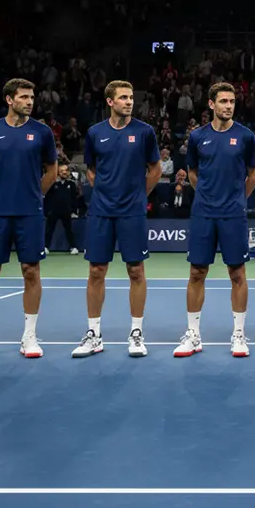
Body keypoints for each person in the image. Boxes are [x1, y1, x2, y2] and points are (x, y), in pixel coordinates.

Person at [0, 79, 58, 361]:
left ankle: (29, 336)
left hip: (29, 213)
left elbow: (52, 169)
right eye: (24, 97)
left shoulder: (42, 132)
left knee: (31, 271)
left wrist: (33, 196)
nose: (30, 101)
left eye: (32, 97)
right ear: (9, 100)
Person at [72, 81, 162, 358]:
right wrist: (104, 193)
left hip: (132, 212)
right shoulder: (95, 133)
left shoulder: (145, 132)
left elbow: (155, 169)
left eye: (131, 97)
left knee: (136, 271)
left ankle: (136, 332)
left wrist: (136, 196)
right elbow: (91, 171)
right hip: (101, 211)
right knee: (96, 271)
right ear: (110, 101)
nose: (129, 101)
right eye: (123, 97)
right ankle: (94, 334)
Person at [174, 83, 255, 358]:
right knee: (197, 273)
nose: (229, 106)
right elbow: (192, 172)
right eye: (223, 101)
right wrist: (207, 197)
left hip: (233, 215)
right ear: (211, 104)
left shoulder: (246, 136)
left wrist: (237, 199)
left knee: (237, 274)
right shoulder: (197, 136)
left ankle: (238, 335)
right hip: (203, 214)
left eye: (232, 101)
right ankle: (193, 335)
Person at [44, 159, 81, 255]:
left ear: (68, 172)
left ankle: (73, 247)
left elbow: (74, 199)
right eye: (61, 171)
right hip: (53, 211)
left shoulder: (72, 184)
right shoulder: (53, 183)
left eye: (66, 170)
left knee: (69, 230)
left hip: (66, 211)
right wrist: (47, 210)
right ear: (58, 172)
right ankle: (45, 247)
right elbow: (47, 198)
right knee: (49, 230)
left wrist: (74, 211)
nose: (64, 172)